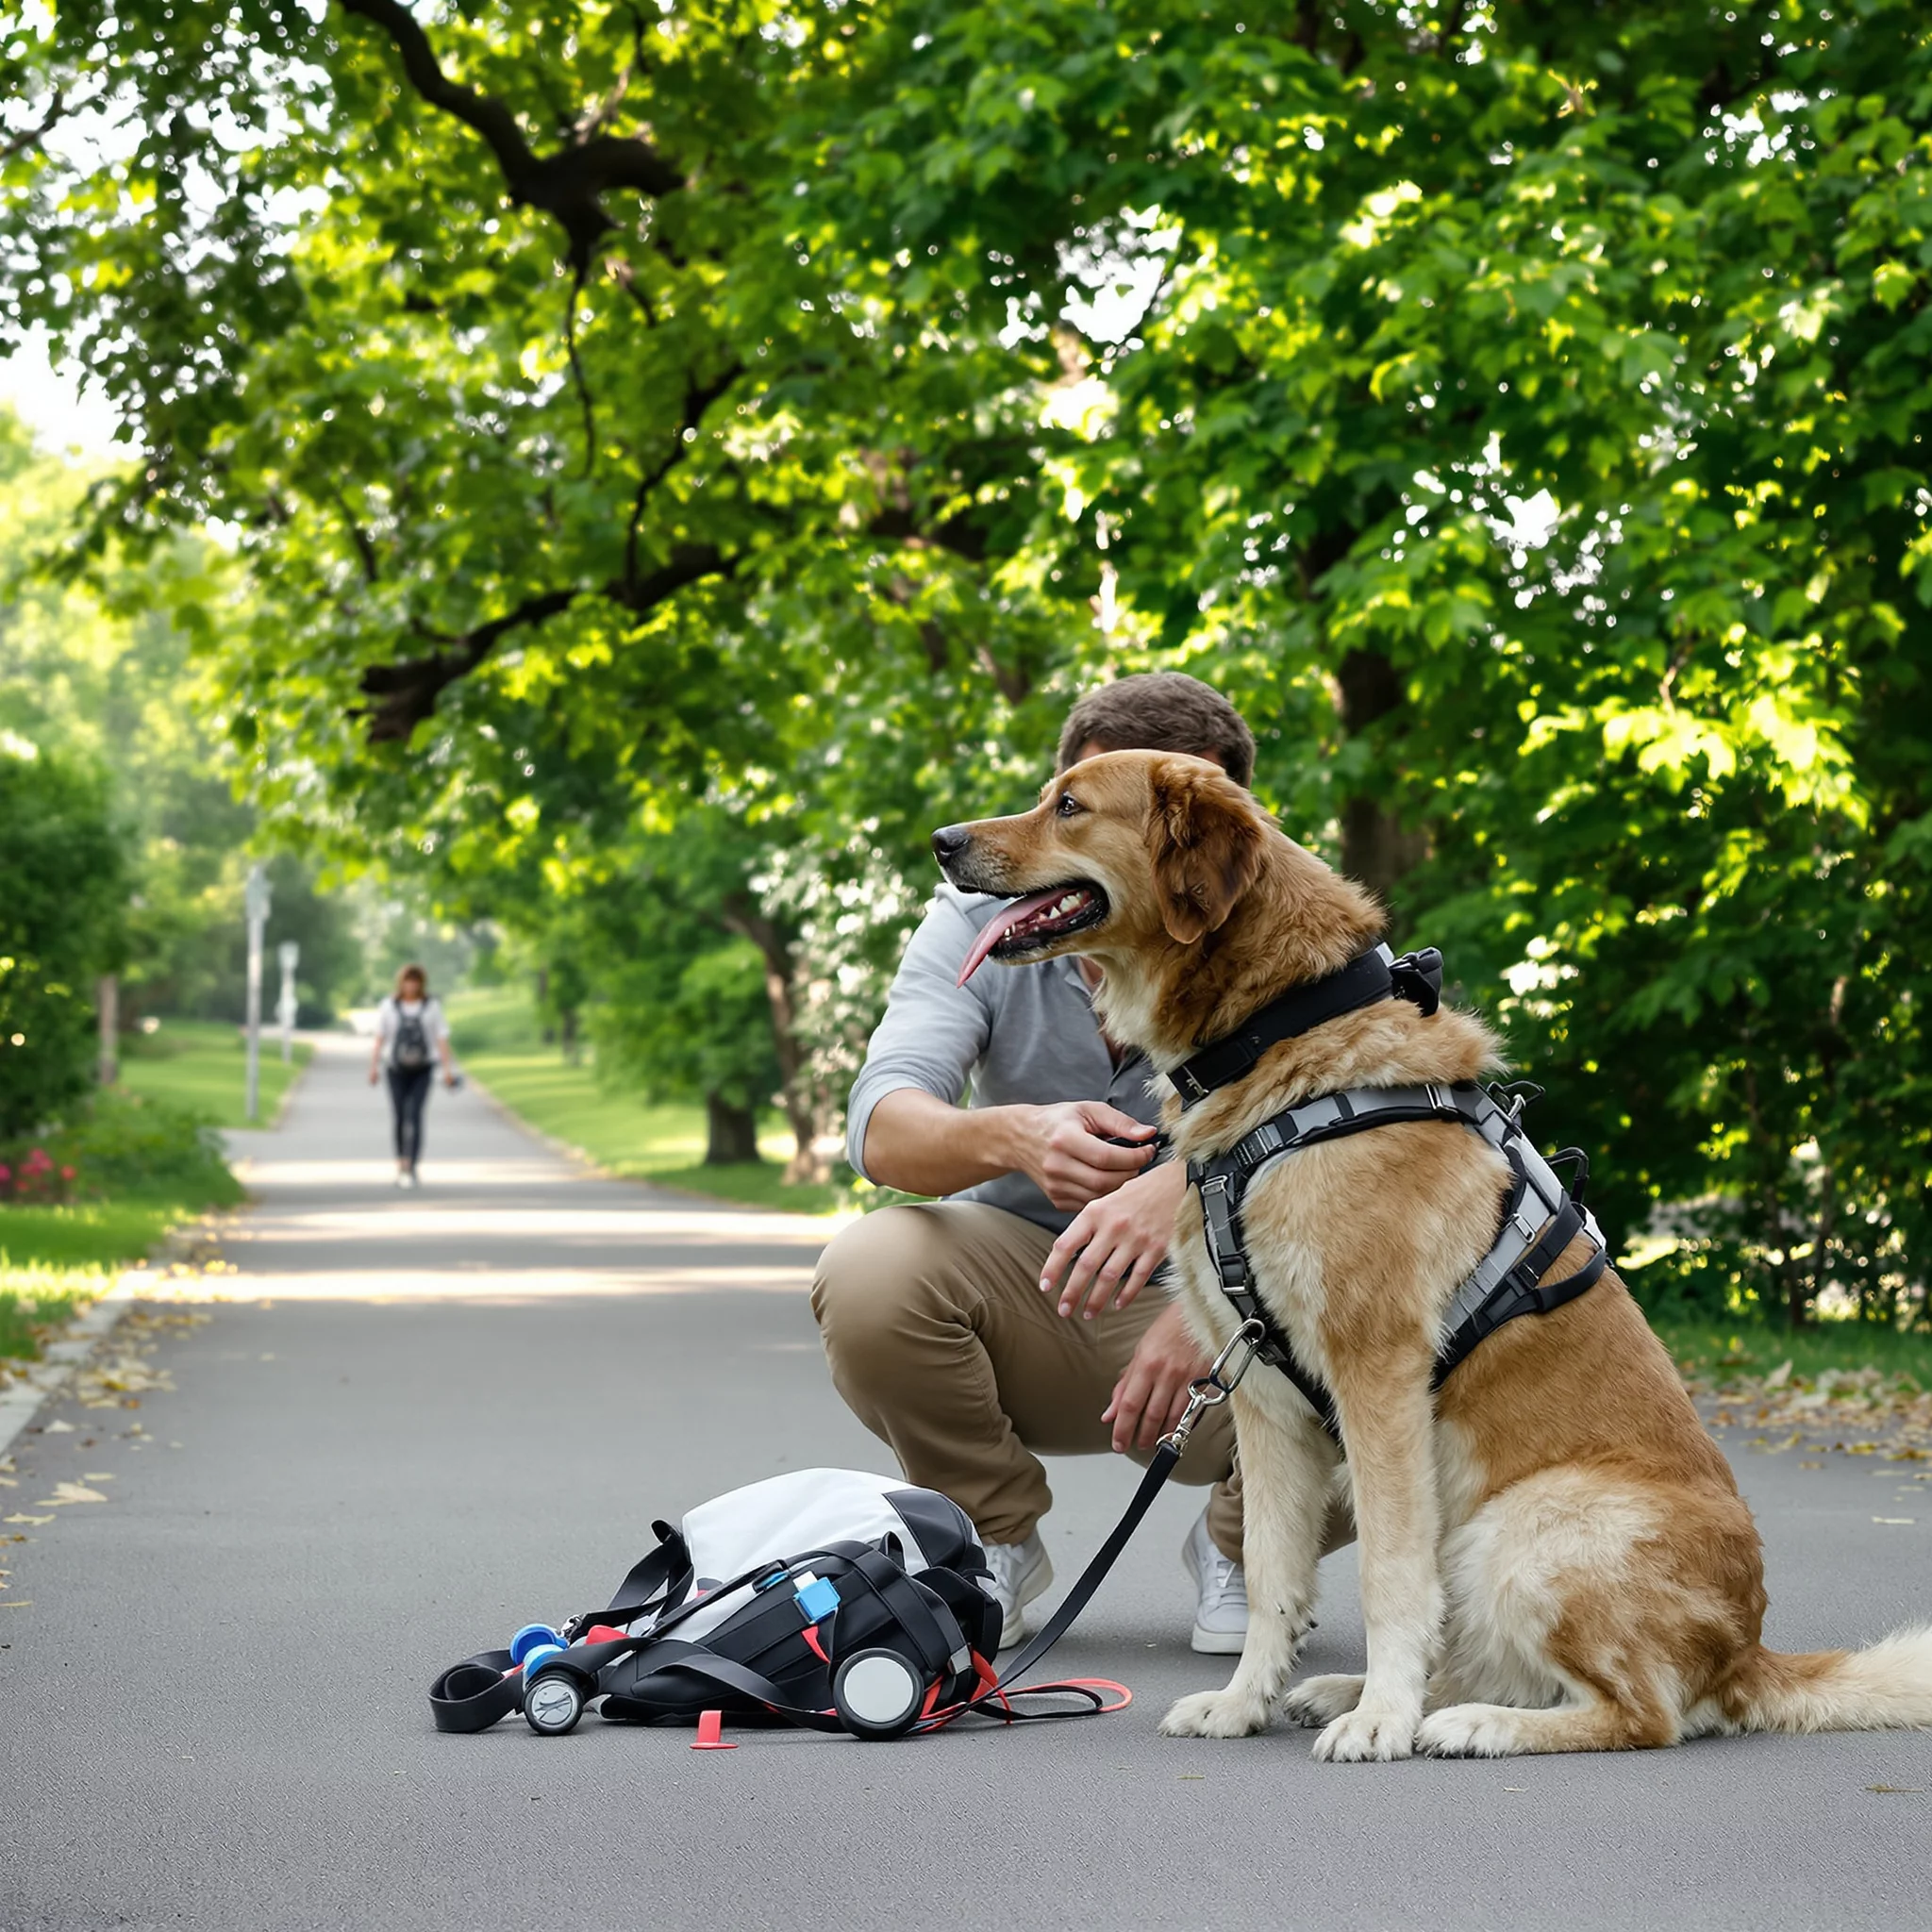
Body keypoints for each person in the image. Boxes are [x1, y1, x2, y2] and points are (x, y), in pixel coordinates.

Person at [812, 673, 1261, 1654]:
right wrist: (1015, 1135)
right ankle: (991, 1534)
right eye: (1062, 798)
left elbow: (1358, 1152)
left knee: (1423, 1335)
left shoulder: (1287, 936)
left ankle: (1252, 1540)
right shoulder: (981, 921)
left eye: (1079, 813)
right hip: (1033, 1293)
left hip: (1240, 1331)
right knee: (870, 1266)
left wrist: (1192, 1234)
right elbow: (882, 1125)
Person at [368, 963, 457, 1188]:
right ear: (401, 982)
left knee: (416, 1114)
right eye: (408, 980)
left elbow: (441, 1038)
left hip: (423, 1068)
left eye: (415, 981)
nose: (411, 985)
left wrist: (447, 1069)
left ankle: (413, 1164)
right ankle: (400, 1161)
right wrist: (374, 1066)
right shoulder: (388, 1005)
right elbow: (380, 1037)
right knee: (399, 1115)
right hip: (395, 1068)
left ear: (421, 983)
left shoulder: (431, 1006)